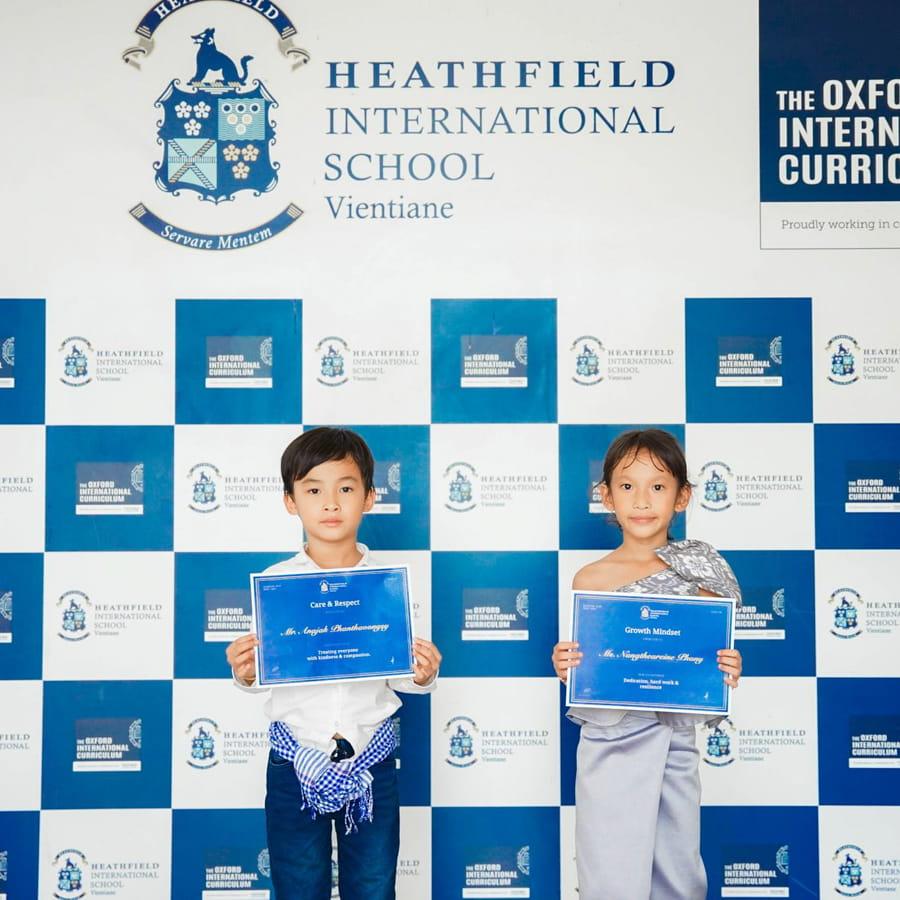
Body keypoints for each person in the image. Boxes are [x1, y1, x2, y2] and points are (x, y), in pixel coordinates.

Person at [226, 427, 442, 900]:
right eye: (313, 490)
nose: (330, 503)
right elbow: (263, 671)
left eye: (345, 489)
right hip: (293, 763)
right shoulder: (276, 585)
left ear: (369, 498)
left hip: (372, 763)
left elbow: (405, 676)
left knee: (373, 887)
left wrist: (424, 674)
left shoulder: (390, 585)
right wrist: (245, 673)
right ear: (290, 502)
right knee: (298, 886)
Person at [552, 428, 742, 900]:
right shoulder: (591, 579)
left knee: (678, 873)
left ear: (682, 497)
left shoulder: (701, 572)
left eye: (657, 486)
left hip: (674, 742)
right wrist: (568, 664)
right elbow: (589, 667)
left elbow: (705, 664)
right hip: (608, 744)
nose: (641, 500)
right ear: (606, 496)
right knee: (609, 878)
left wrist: (725, 667)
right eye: (627, 486)